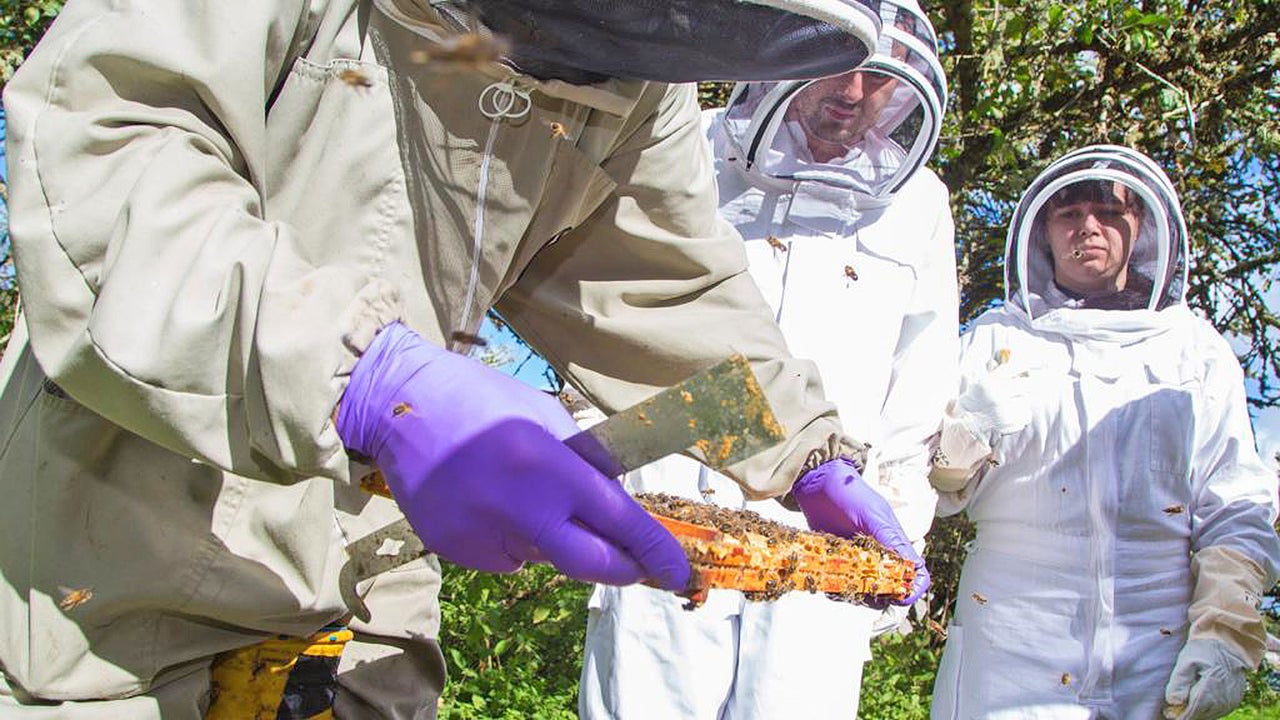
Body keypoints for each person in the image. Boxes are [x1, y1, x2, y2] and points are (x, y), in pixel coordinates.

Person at [0, 0, 930, 717]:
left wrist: (806, 450)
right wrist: (363, 377)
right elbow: (109, 145)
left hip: (372, 563)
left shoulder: (642, 64)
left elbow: (664, 284)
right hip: (128, 523)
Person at [579, 1, 957, 716]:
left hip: (829, 528)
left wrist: (900, 536)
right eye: (839, 68)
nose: (851, 95)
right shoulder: (684, 143)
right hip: (669, 496)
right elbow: (610, 303)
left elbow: (919, 391)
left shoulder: (919, 205)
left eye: (878, 81)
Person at [928, 145, 1280, 719]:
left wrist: (1225, 631)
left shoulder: (1195, 351)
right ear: (1043, 232)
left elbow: (1235, 505)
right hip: (1009, 643)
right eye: (1068, 215)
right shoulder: (993, 340)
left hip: (1154, 646)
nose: (1088, 227)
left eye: (1108, 212)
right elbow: (925, 490)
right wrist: (965, 435)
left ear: (1139, 227)